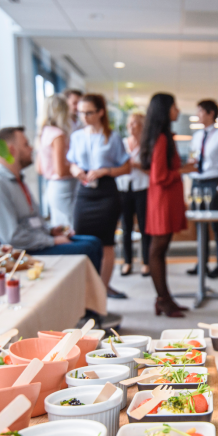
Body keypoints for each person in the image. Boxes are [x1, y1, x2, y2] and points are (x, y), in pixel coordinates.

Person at [0, 126, 102, 272]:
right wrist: (51, 241)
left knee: (94, 242)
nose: (31, 148)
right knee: (87, 248)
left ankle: (90, 293)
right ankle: (86, 293)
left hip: (34, 242)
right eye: (26, 145)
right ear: (11, 150)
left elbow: (31, 221)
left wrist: (51, 231)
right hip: (16, 252)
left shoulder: (17, 180)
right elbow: (12, 238)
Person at [67, 94, 131, 299]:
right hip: (84, 191)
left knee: (106, 242)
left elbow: (126, 166)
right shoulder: (77, 136)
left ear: (100, 112)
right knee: (81, 238)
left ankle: (102, 289)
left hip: (106, 192)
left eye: (89, 112)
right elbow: (71, 162)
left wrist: (105, 171)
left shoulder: (111, 137)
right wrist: (75, 169)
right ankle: (86, 288)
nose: (84, 117)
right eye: (80, 113)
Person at [141, 93, 196, 318]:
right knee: (157, 249)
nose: (178, 110)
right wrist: (184, 170)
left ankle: (165, 298)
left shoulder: (163, 137)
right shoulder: (162, 139)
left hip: (164, 199)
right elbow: (159, 176)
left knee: (160, 249)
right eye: (174, 106)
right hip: (162, 200)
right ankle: (163, 299)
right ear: (165, 111)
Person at [187, 99, 218, 279]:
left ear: (210, 113)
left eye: (200, 112)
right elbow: (193, 157)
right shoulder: (197, 136)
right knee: (199, 225)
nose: (198, 115)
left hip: (213, 183)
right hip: (196, 183)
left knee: (216, 225)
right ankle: (201, 263)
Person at [118, 112, 151, 277]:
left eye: (135, 123)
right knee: (126, 227)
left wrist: (136, 165)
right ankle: (127, 261)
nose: (131, 126)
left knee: (145, 227)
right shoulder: (122, 144)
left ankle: (146, 262)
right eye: (130, 123)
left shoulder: (148, 145)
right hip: (124, 189)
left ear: (142, 126)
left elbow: (152, 170)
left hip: (142, 189)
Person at [36, 94, 76, 228]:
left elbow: (39, 168)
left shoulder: (44, 132)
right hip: (64, 187)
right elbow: (61, 170)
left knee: (60, 226)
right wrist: (79, 168)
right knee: (69, 227)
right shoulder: (58, 134)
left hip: (52, 186)